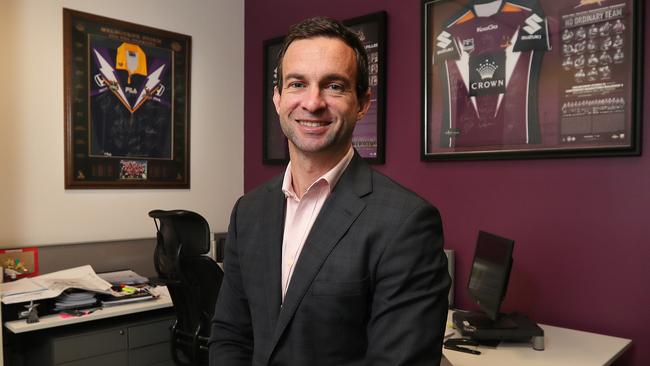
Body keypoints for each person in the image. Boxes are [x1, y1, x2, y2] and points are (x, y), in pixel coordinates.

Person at [209, 16, 451, 366]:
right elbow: (230, 336)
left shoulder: (407, 223)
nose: (313, 102)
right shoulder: (248, 211)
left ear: (363, 102)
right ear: (277, 98)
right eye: (296, 84)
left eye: (334, 86)